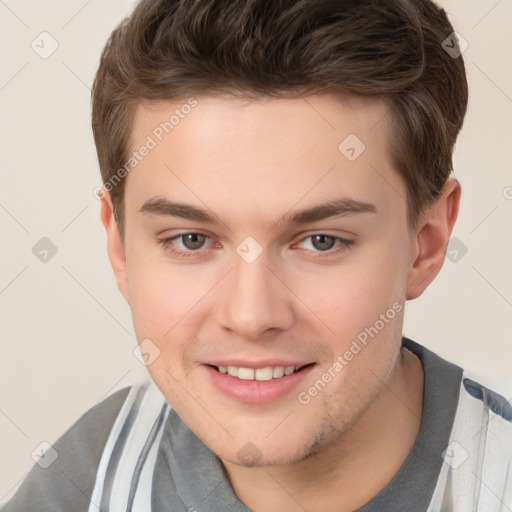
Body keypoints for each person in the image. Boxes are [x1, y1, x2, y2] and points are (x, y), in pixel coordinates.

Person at [3, 0, 511, 511]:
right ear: (120, 246)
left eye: (321, 241)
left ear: (426, 243)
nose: (251, 317)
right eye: (191, 240)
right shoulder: (77, 487)